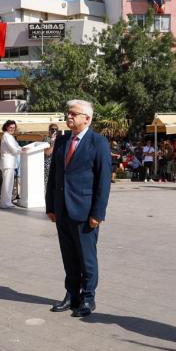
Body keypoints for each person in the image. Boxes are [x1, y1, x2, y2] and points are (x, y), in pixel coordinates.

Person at [46, 99, 111, 317]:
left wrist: (97, 213)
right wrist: (51, 206)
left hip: (85, 212)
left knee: (87, 258)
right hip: (63, 210)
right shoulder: (63, 141)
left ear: (87, 118)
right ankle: (71, 294)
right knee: (69, 257)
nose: (69, 116)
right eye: (68, 113)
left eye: (74, 113)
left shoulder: (98, 142)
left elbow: (103, 182)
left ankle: (88, 298)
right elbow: (54, 175)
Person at [0, 120, 20, 208]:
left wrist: (21, 149)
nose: (12, 129)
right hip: (8, 163)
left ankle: (6, 201)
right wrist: (21, 150)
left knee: (8, 183)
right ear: (6, 127)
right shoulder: (6, 136)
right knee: (7, 183)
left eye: (13, 128)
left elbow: (16, 147)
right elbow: (12, 148)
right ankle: (5, 203)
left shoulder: (9, 136)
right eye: (10, 127)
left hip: (9, 163)